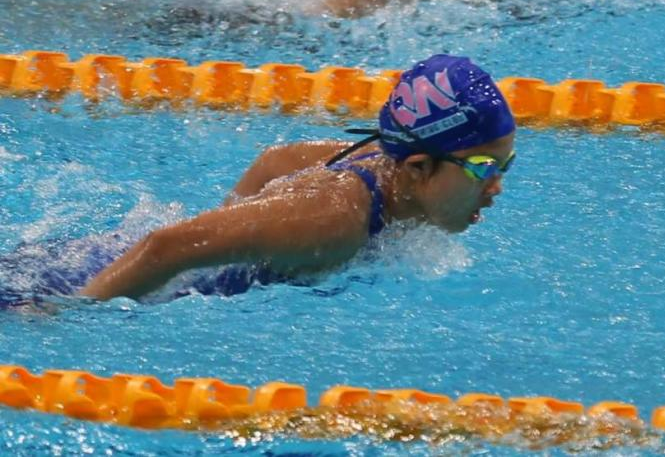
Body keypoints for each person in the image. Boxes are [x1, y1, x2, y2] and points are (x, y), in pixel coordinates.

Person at [77, 54, 516, 301]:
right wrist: (76, 315)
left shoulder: (384, 162)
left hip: (112, 258)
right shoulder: (336, 220)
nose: (496, 186)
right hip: (90, 280)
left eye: (504, 165)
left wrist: (235, 226)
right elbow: (166, 247)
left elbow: (274, 161)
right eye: (482, 167)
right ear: (419, 167)